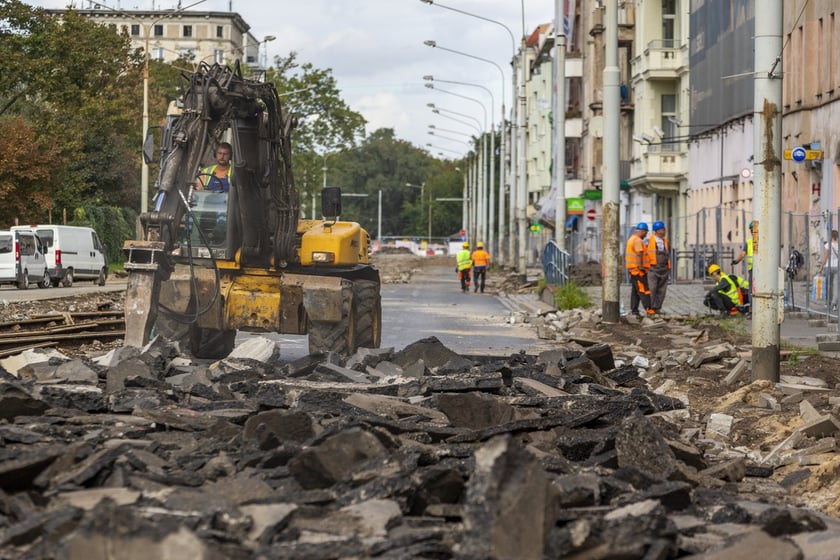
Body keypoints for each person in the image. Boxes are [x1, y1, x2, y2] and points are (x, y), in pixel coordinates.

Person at [625, 222, 654, 316]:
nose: (646, 235)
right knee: (643, 290)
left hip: (633, 270)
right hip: (638, 271)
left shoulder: (631, 239)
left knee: (635, 292)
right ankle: (649, 310)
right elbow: (639, 254)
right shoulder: (637, 240)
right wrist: (641, 267)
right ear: (642, 231)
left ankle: (634, 310)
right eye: (646, 232)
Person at [646, 220, 671, 315]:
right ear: (657, 230)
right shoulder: (649, 240)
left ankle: (657, 308)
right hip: (652, 268)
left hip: (663, 268)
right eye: (662, 229)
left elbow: (667, 254)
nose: (664, 231)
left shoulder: (665, 241)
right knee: (652, 289)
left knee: (662, 290)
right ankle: (651, 308)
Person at [732, 220, 758, 292]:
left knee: (752, 286)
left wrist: (736, 261)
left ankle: (752, 298)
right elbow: (743, 254)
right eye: (751, 231)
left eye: (753, 230)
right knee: (754, 286)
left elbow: (743, 254)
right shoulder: (750, 242)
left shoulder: (750, 242)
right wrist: (737, 261)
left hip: (755, 268)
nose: (752, 232)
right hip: (754, 268)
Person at [819, 229, 840, 312]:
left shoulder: (827, 245)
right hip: (837, 267)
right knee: (836, 286)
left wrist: (821, 268)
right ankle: (834, 304)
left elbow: (825, 258)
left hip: (828, 267)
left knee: (828, 286)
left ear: (830, 236)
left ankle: (828, 303)